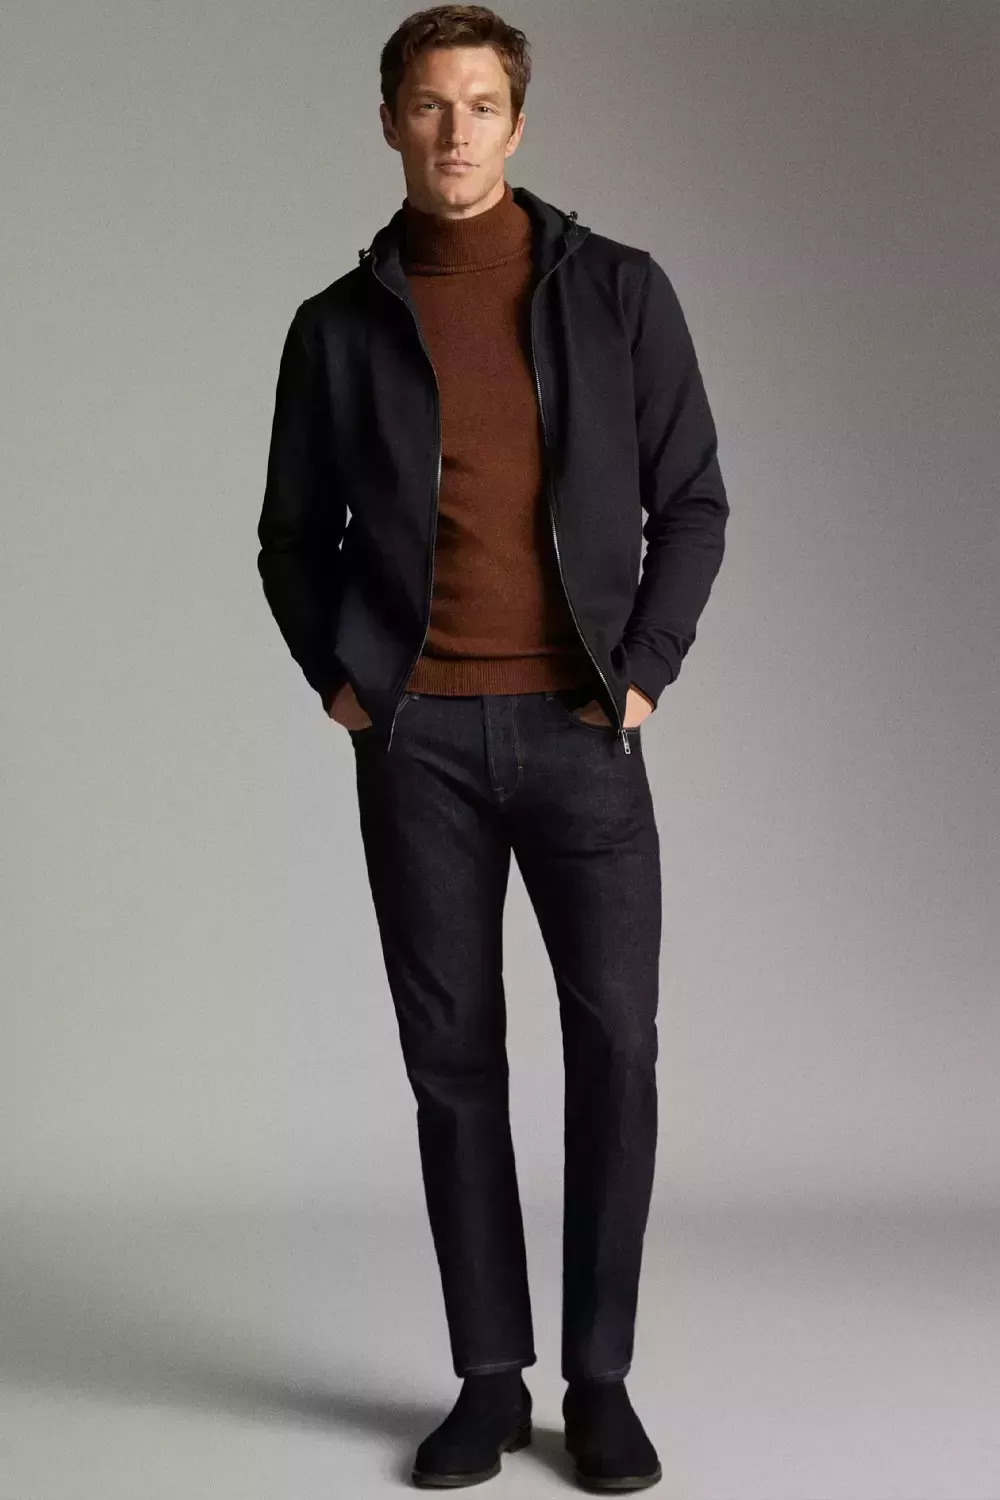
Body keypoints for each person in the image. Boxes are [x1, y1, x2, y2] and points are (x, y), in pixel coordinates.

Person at [257, 5, 728, 1490]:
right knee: (452, 1065)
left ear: (518, 124)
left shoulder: (620, 292)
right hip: (420, 747)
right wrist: (347, 685)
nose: (454, 132)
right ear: (390, 122)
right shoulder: (338, 327)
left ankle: (600, 1382)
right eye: (428, 104)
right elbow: (290, 539)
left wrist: (643, 677)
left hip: (585, 733)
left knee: (619, 1051)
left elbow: (693, 501)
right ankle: (487, 1378)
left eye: (479, 105)